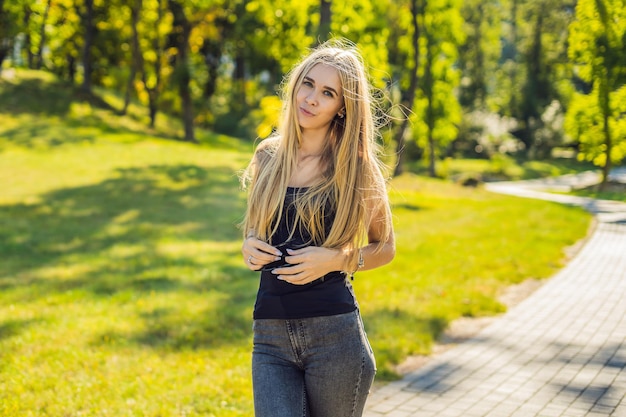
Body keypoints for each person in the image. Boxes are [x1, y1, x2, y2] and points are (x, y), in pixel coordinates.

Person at [240, 39, 395, 417]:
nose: (311, 98)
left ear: (343, 108)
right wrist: (248, 245)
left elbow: (386, 247)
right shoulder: (268, 156)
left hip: (335, 339)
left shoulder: (356, 168)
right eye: (308, 84)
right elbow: (257, 230)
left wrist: (334, 260)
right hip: (271, 337)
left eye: (328, 93)